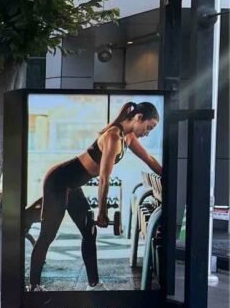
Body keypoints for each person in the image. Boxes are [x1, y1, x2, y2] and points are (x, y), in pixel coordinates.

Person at [28, 101, 162, 291]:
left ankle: (94, 284)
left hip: (72, 186)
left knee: (89, 231)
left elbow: (149, 159)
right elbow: (104, 180)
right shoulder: (114, 137)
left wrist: (168, 176)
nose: (148, 133)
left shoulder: (128, 137)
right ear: (139, 118)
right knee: (48, 234)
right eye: (149, 127)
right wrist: (102, 212)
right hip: (58, 181)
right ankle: (33, 285)